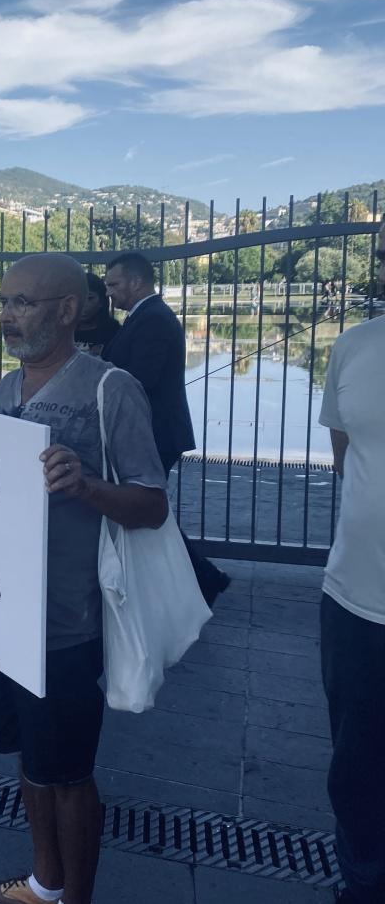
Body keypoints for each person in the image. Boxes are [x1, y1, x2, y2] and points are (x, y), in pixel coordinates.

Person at [0, 254, 167, 904]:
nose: (7, 315)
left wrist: (86, 486)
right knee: (30, 760)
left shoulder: (111, 389)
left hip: (69, 624)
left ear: (68, 310)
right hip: (1, 617)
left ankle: (74, 896)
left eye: (23, 302)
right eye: (3, 302)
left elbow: (153, 504)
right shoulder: (0, 393)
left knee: (70, 773)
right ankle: (45, 882)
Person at [317, 221, 385, 904]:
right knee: (357, 769)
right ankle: (362, 885)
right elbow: (347, 457)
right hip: (356, 602)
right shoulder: (356, 347)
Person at [102, 252, 230, 607]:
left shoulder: (153, 319)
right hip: (152, 431)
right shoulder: (143, 316)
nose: (109, 293)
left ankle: (205, 579)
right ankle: (203, 579)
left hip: (155, 432)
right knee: (148, 511)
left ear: (136, 282)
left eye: (114, 284)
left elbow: (139, 379)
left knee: (148, 511)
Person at [73, 273, 120, 356]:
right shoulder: (63, 330)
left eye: (89, 298)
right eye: (78, 298)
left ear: (101, 301)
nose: (83, 304)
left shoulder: (113, 330)